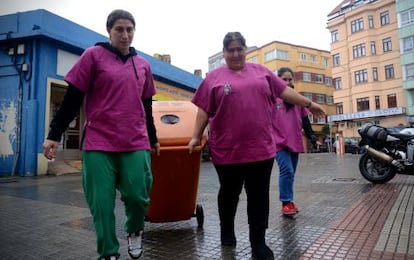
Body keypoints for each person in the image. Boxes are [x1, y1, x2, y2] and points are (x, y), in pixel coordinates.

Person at [188, 32, 325, 260]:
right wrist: (195, 137)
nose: (235, 53)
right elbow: (203, 109)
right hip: (227, 151)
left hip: (260, 150)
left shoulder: (262, 73)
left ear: (245, 51)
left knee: (259, 197)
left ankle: (258, 243)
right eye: (230, 50)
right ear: (224, 53)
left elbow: (285, 92)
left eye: (239, 49)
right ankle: (227, 230)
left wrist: (309, 104)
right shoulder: (214, 77)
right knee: (229, 194)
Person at [42, 9, 160, 260]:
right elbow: (72, 100)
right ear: (109, 31)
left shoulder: (143, 65)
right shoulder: (93, 56)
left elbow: (147, 107)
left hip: (135, 140)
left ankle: (134, 229)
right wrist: (54, 134)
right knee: (102, 203)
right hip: (99, 142)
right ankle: (108, 252)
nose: (125, 35)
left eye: (130, 29)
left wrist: (153, 138)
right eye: (119, 29)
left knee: (138, 196)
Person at [272, 67, 317, 216]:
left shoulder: (298, 99)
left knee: (291, 174)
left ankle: (289, 201)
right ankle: (285, 202)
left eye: (290, 79)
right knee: (287, 171)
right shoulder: (273, 98)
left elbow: (305, 119)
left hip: (295, 141)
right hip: (278, 143)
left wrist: (311, 135)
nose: (287, 81)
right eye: (284, 79)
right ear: (278, 80)